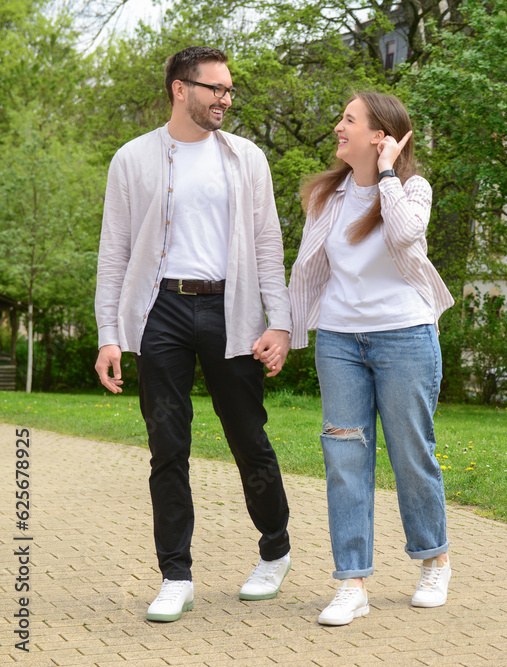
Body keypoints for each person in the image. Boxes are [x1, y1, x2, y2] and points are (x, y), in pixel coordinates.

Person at [94, 46, 293, 623]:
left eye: (230, 91)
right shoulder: (132, 159)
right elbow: (115, 253)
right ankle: (175, 573)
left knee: (247, 436)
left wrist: (277, 322)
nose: (226, 99)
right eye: (216, 89)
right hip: (161, 312)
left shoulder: (247, 158)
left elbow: (266, 245)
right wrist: (111, 333)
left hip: (230, 308)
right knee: (167, 446)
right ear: (181, 89)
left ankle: (274, 548)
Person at [288, 91, 455, 626]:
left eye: (349, 120)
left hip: (403, 335)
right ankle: (351, 582)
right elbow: (307, 271)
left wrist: (386, 175)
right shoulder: (327, 196)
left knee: (411, 453)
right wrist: (285, 330)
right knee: (344, 459)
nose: (338, 127)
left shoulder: (411, 189)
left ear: (380, 135)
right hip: (339, 340)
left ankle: (434, 560)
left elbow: (407, 235)